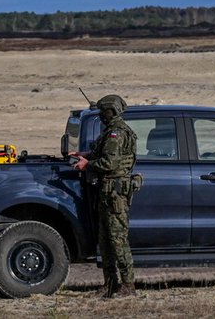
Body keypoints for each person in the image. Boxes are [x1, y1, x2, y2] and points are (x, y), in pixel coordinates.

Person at [68, 94, 138, 298]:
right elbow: (103, 154)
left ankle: (128, 285)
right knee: (105, 241)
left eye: (102, 111)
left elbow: (110, 163)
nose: (101, 115)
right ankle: (110, 283)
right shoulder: (110, 132)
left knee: (118, 241)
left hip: (115, 194)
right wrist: (85, 155)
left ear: (111, 111)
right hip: (106, 193)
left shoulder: (118, 133)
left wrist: (87, 164)